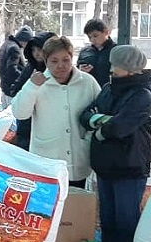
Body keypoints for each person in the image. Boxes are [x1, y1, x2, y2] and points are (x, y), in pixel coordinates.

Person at [80, 45, 151, 242]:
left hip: (129, 169)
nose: (111, 68)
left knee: (125, 224)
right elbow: (85, 115)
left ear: (129, 68)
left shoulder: (142, 95)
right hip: (105, 167)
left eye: (115, 64)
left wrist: (100, 127)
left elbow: (121, 127)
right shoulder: (109, 88)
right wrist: (100, 120)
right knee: (109, 223)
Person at [11, 36, 100, 188]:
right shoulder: (37, 83)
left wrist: (88, 138)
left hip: (79, 158)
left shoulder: (87, 82)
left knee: (78, 198)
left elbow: (100, 109)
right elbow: (20, 113)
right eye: (54, 61)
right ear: (46, 61)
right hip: (47, 160)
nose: (61, 66)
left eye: (66, 60)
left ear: (72, 58)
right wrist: (31, 87)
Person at [6, 31, 56, 151]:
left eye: (40, 49)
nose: (37, 54)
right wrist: (30, 86)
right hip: (27, 122)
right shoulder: (31, 67)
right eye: (33, 50)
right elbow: (15, 89)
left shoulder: (57, 70)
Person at [0, 25, 33, 108]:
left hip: (5, 87)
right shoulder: (15, 49)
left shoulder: (6, 44)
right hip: (12, 88)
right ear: (24, 41)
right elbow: (12, 69)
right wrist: (25, 78)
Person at [79, 18, 117, 87]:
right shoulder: (85, 52)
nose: (92, 40)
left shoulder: (116, 51)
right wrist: (80, 70)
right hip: (89, 89)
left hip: (109, 90)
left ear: (106, 32)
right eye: (89, 37)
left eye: (95, 36)